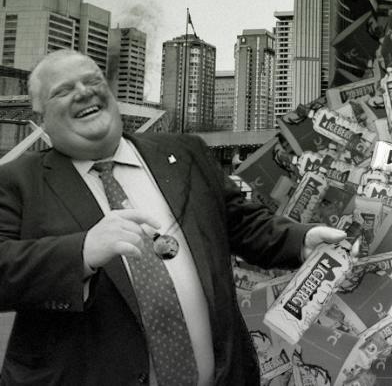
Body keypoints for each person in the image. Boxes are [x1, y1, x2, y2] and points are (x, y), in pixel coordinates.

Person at [0, 50, 347, 385]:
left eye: (92, 81)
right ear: (40, 115)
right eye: (63, 90)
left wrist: (301, 240)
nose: (83, 92)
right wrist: (81, 253)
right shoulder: (17, 181)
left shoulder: (184, 153)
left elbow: (242, 223)